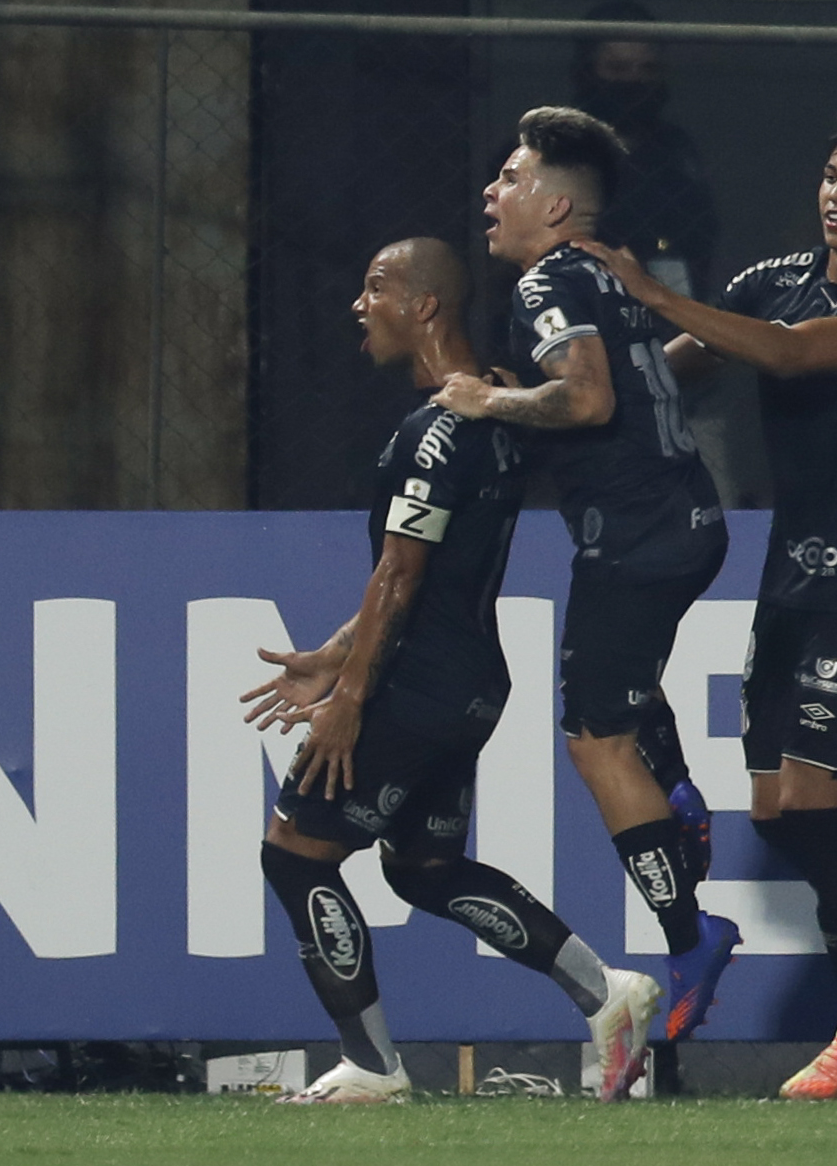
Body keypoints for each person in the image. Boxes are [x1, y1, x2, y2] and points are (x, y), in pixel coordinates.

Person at [574, 106, 837, 1100]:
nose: (835, 194)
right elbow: (681, 378)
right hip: (792, 572)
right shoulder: (770, 282)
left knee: (813, 804)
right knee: (777, 810)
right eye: (829, 174)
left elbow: (797, 354)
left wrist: (648, 288)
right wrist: (578, 389)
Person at [241, 237, 662, 1104]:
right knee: (420, 868)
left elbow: (399, 574)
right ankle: (604, 992)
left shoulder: (438, 429)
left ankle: (371, 1064)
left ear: (424, 305)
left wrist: (350, 698)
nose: (360, 306)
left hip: (416, 685)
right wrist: (330, 655)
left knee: (295, 854)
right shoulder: (496, 409)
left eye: (375, 288)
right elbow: (422, 573)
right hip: (465, 679)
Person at [431, 107, 740, 1046]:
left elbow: (588, 394)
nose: (492, 191)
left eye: (511, 177)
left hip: (637, 536)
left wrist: (488, 399)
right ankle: (679, 800)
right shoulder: (604, 270)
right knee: (624, 690)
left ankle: (690, 938)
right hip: (688, 517)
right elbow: (651, 374)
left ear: (556, 202)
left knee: (591, 741)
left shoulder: (546, 283)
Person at [573, 0, 718, 305]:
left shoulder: (676, 149)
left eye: (647, 69)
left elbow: (701, 232)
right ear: (588, 70)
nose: (633, 81)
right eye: (618, 68)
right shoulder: (561, 144)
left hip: (665, 295)